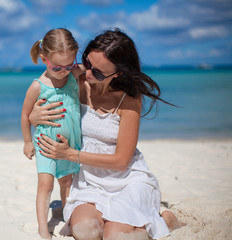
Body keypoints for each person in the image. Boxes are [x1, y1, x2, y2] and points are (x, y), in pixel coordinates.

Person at [31, 29, 184, 240]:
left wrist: (70, 155)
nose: (90, 73)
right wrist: (34, 116)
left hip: (126, 179)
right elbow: (43, 96)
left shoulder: (129, 99)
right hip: (89, 180)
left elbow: (121, 161)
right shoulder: (77, 79)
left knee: (116, 236)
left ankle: (165, 219)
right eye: (87, 63)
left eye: (99, 72)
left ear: (118, 73)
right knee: (86, 231)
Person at [21, 28, 84, 240]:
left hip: (70, 144)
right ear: (44, 59)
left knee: (67, 183)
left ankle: (68, 219)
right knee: (45, 185)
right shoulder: (37, 86)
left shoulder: (73, 76)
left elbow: (90, 70)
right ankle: (42, 227)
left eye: (70, 65)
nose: (64, 71)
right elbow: (25, 114)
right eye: (57, 67)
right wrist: (28, 141)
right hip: (45, 144)